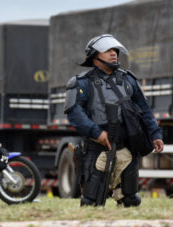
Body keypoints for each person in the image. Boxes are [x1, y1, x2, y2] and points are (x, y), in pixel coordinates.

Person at [64, 34, 164, 207]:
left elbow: (145, 109)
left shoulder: (128, 80)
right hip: (97, 152)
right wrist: (97, 133)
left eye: (115, 50)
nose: (113, 53)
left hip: (126, 150)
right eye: (108, 50)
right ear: (95, 56)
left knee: (131, 201)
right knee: (91, 203)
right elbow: (74, 113)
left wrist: (155, 134)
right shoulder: (81, 83)